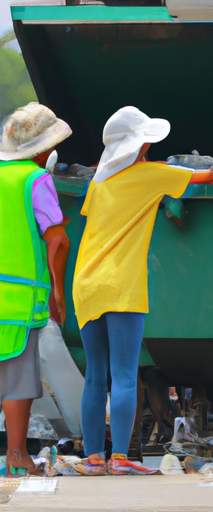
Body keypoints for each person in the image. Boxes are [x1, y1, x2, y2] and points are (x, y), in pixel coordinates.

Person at [73, 106, 197, 475]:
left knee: (96, 376)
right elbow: (208, 177)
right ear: (140, 145)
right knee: (125, 375)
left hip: (87, 283)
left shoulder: (100, 181)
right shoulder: (150, 174)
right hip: (123, 283)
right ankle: (121, 459)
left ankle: (94, 458)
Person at [0, 102, 71, 476]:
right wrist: (57, 293)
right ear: (43, 147)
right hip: (18, 299)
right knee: (16, 380)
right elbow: (57, 241)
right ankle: (16, 456)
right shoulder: (35, 180)